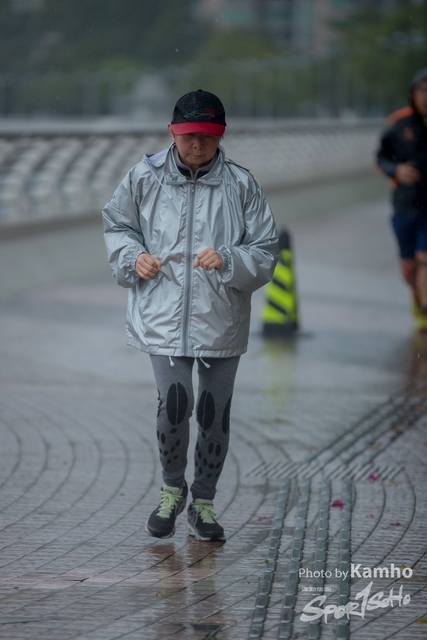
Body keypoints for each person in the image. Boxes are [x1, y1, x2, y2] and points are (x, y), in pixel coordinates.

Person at [102, 90, 279, 542]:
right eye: (187, 136)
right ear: (171, 132)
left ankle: (203, 502)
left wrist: (229, 259)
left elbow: (265, 250)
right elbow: (117, 225)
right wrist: (133, 256)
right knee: (175, 404)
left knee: (214, 413)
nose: (197, 144)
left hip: (222, 315)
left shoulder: (242, 184)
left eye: (207, 136)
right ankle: (171, 489)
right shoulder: (143, 177)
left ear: (221, 135)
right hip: (161, 314)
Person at [376, 67, 427, 331]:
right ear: (413, 94)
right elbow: (380, 158)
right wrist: (396, 170)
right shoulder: (399, 124)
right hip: (405, 204)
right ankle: (417, 293)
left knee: (425, 257)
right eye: (423, 90)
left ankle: (425, 308)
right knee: (409, 265)